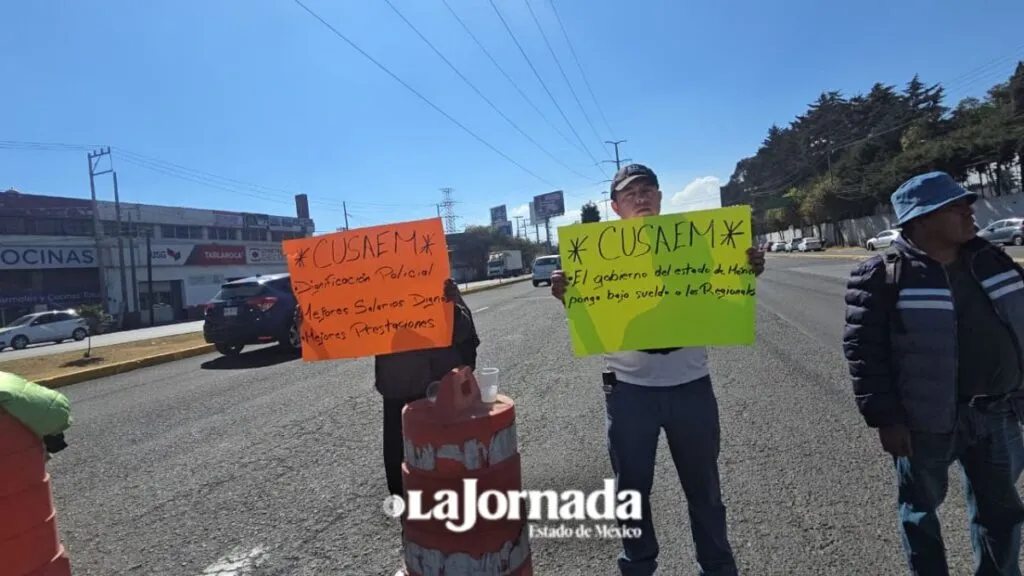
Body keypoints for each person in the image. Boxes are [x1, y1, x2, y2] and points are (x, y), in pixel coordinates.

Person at [551, 163, 765, 576]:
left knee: (704, 490)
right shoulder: (597, 256)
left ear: (662, 198)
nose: (641, 197)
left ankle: (718, 567)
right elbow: (593, 319)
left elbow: (726, 300)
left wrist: (746, 269)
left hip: (691, 386)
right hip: (629, 391)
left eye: (649, 189)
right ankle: (637, 565)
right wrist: (568, 295)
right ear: (615, 207)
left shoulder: (696, 244)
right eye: (631, 193)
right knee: (631, 492)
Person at [842, 171, 1024, 575]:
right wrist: (886, 419)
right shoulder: (882, 274)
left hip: (997, 414)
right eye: (955, 207)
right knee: (920, 514)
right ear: (921, 218)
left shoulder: (990, 258)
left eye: (967, 204)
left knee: (1002, 512)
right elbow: (863, 354)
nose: (970, 213)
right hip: (924, 422)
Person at [295, 278, 480, 496]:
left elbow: (464, 332)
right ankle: (403, 496)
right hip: (399, 381)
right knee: (397, 444)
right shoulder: (373, 291)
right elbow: (346, 330)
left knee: (444, 446)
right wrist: (312, 320)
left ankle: (447, 491)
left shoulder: (436, 281)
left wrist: (452, 303)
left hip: (438, 382)